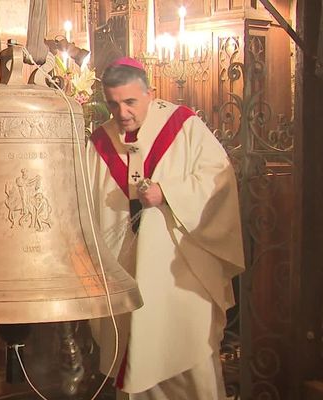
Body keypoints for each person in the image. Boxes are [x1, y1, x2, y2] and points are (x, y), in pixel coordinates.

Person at [87, 57, 245, 399]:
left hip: (181, 274)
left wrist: (168, 193)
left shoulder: (183, 126)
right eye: (113, 104)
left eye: (130, 102)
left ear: (150, 94)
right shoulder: (99, 142)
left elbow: (218, 180)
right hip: (125, 270)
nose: (123, 113)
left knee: (188, 355)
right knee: (136, 359)